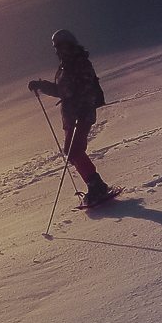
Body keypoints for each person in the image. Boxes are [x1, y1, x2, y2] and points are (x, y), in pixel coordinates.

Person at [29, 28, 113, 203]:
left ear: (69, 44)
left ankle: (97, 186)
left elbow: (80, 88)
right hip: (72, 115)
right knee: (71, 151)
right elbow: (63, 90)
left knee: (75, 150)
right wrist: (41, 85)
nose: (58, 50)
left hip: (81, 114)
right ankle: (95, 185)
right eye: (56, 47)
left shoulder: (78, 63)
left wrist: (83, 108)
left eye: (61, 45)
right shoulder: (67, 64)